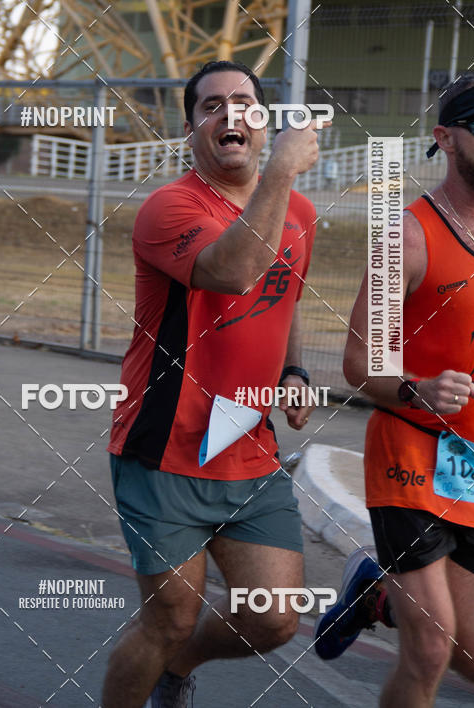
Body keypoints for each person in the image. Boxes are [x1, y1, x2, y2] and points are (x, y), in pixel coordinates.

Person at [102, 60, 328, 708]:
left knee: (274, 618)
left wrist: (294, 370)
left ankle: (176, 671)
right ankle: (160, 660)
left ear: (262, 121)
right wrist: (281, 170)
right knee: (167, 618)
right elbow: (234, 272)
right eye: (212, 106)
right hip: (165, 447)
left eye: (245, 103)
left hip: (247, 450)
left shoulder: (300, 212)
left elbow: (284, 298)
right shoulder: (169, 206)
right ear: (190, 128)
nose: (230, 115)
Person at [314, 74, 474, 707]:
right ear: (446, 138)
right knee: (431, 649)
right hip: (410, 455)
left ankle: (377, 594)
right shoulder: (407, 238)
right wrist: (420, 389)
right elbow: (358, 363)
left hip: (472, 467)